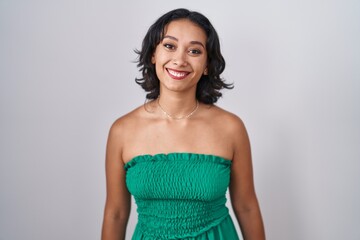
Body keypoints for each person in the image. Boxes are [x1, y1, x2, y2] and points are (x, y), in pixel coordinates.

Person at [101, 8, 265, 240]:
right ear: (153, 55)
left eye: (194, 51)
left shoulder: (231, 128)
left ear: (207, 64)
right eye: (169, 46)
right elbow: (115, 213)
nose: (180, 60)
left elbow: (247, 207)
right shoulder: (122, 130)